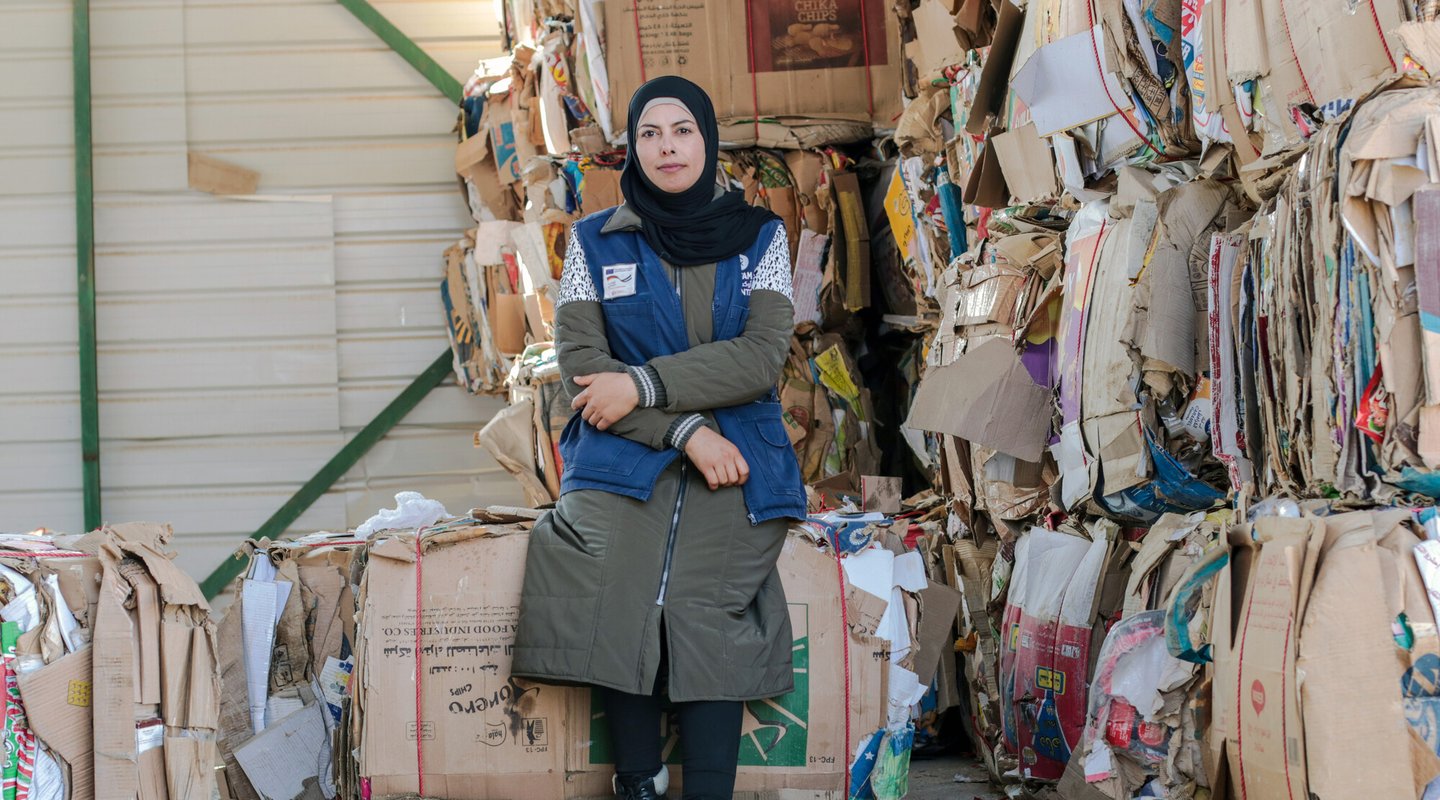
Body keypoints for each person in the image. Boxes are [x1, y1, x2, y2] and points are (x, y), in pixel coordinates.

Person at [511, 75, 808, 800]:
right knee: (619, 583)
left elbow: (760, 357)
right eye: (650, 133)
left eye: (682, 131)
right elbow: (585, 368)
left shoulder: (761, 238)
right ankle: (636, 783)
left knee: (704, 608)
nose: (666, 147)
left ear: (706, 140)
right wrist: (683, 431)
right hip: (625, 455)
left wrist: (643, 386)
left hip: (739, 457)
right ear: (632, 147)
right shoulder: (592, 241)